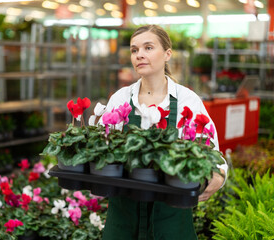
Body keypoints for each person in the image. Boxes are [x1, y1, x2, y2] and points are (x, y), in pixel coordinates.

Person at [98, 25, 228, 240]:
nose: (139, 54)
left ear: (167, 54)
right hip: (123, 218)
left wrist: (218, 176)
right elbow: (101, 148)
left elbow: (212, 153)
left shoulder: (187, 100)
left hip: (172, 218)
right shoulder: (121, 99)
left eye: (148, 47)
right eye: (134, 50)